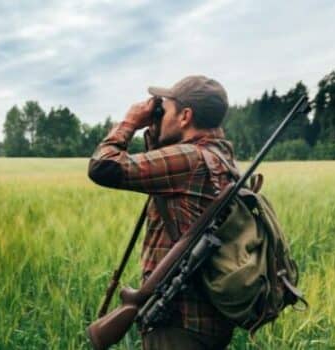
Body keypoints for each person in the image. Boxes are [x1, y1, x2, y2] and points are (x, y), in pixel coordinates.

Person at [87, 75, 239, 349]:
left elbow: (102, 166)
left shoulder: (189, 159)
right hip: (208, 320)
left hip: (177, 326)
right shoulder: (223, 159)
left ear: (185, 116)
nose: (157, 115)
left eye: (164, 110)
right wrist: (156, 131)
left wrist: (130, 123)